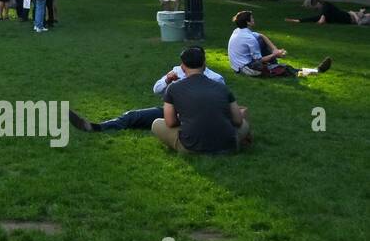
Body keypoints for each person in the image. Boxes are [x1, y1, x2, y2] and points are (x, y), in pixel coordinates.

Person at [69, 55, 229, 134]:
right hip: (173, 112)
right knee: (133, 116)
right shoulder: (177, 74)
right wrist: (167, 79)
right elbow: (157, 89)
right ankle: (98, 127)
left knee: (158, 124)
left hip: (191, 119)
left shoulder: (215, 80)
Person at [152, 47, 252, 154]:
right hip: (228, 146)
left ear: (183, 66)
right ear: (204, 64)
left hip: (190, 146)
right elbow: (238, 120)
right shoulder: (221, 86)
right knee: (244, 122)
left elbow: (170, 122)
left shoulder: (173, 88)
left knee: (156, 123)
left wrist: (184, 121)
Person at [228, 10, 330, 78]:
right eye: (252, 18)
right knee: (285, 69)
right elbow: (258, 60)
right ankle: (316, 71)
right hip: (245, 68)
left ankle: (274, 65)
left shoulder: (238, 31)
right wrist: (275, 55)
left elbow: (261, 36)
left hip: (237, 65)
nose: (254, 20)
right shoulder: (249, 38)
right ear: (248, 22)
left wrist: (275, 49)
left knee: (261, 40)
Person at [285, 2, 370, 26]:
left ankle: (322, 18)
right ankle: (298, 20)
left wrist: (354, 13)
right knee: (320, 15)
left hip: (348, 18)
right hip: (346, 15)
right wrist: (360, 12)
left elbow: (359, 22)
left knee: (327, 4)